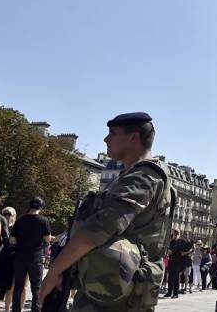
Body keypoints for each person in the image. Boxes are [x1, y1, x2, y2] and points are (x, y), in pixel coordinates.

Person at [39, 112, 175, 312]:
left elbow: (98, 230)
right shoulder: (137, 175)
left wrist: (55, 270)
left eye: (112, 133)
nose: (106, 139)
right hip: (113, 287)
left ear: (133, 137)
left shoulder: (143, 178)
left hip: (115, 295)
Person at [9, 197, 50, 312]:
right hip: (35, 257)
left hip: (20, 256)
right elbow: (47, 239)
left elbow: (12, 239)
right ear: (41, 207)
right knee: (36, 287)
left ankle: (16, 310)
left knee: (18, 287)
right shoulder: (43, 220)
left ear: (30, 206)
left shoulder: (20, 219)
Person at [0, 206, 18, 312]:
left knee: (10, 285)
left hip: (12, 258)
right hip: (0, 257)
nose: (7, 216)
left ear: (14, 216)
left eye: (9, 214)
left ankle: (7, 308)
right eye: (5, 213)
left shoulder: (16, 227)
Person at [165, 229, 192, 298]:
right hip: (170, 261)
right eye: (173, 233)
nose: (173, 235)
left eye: (174, 233)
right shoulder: (171, 242)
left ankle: (175, 293)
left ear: (177, 234)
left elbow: (184, 251)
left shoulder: (181, 242)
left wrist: (173, 252)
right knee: (170, 277)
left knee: (176, 278)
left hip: (177, 262)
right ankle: (169, 292)